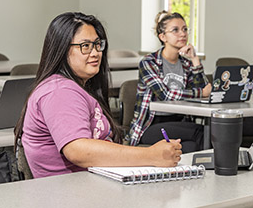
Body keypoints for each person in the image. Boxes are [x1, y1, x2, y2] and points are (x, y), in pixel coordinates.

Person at [14, 12, 182, 179]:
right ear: (62, 50)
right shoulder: (59, 91)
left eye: (97, 44)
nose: (95, 53)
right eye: (85, 46)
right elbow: (78, 150)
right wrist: (151, 155)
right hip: (69, 195)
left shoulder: (76, 87)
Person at [128, 10, 212, 153]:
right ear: (163, 36)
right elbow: (164, 95)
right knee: (204, 133)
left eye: (185, 29)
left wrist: (194, 59)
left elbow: (204, 91)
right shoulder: (149, 62)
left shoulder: (186, 64)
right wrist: (200, 93)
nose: (183, 33)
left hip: (180, 122)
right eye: (175, 30)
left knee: (192, 147)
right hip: (151, 126)